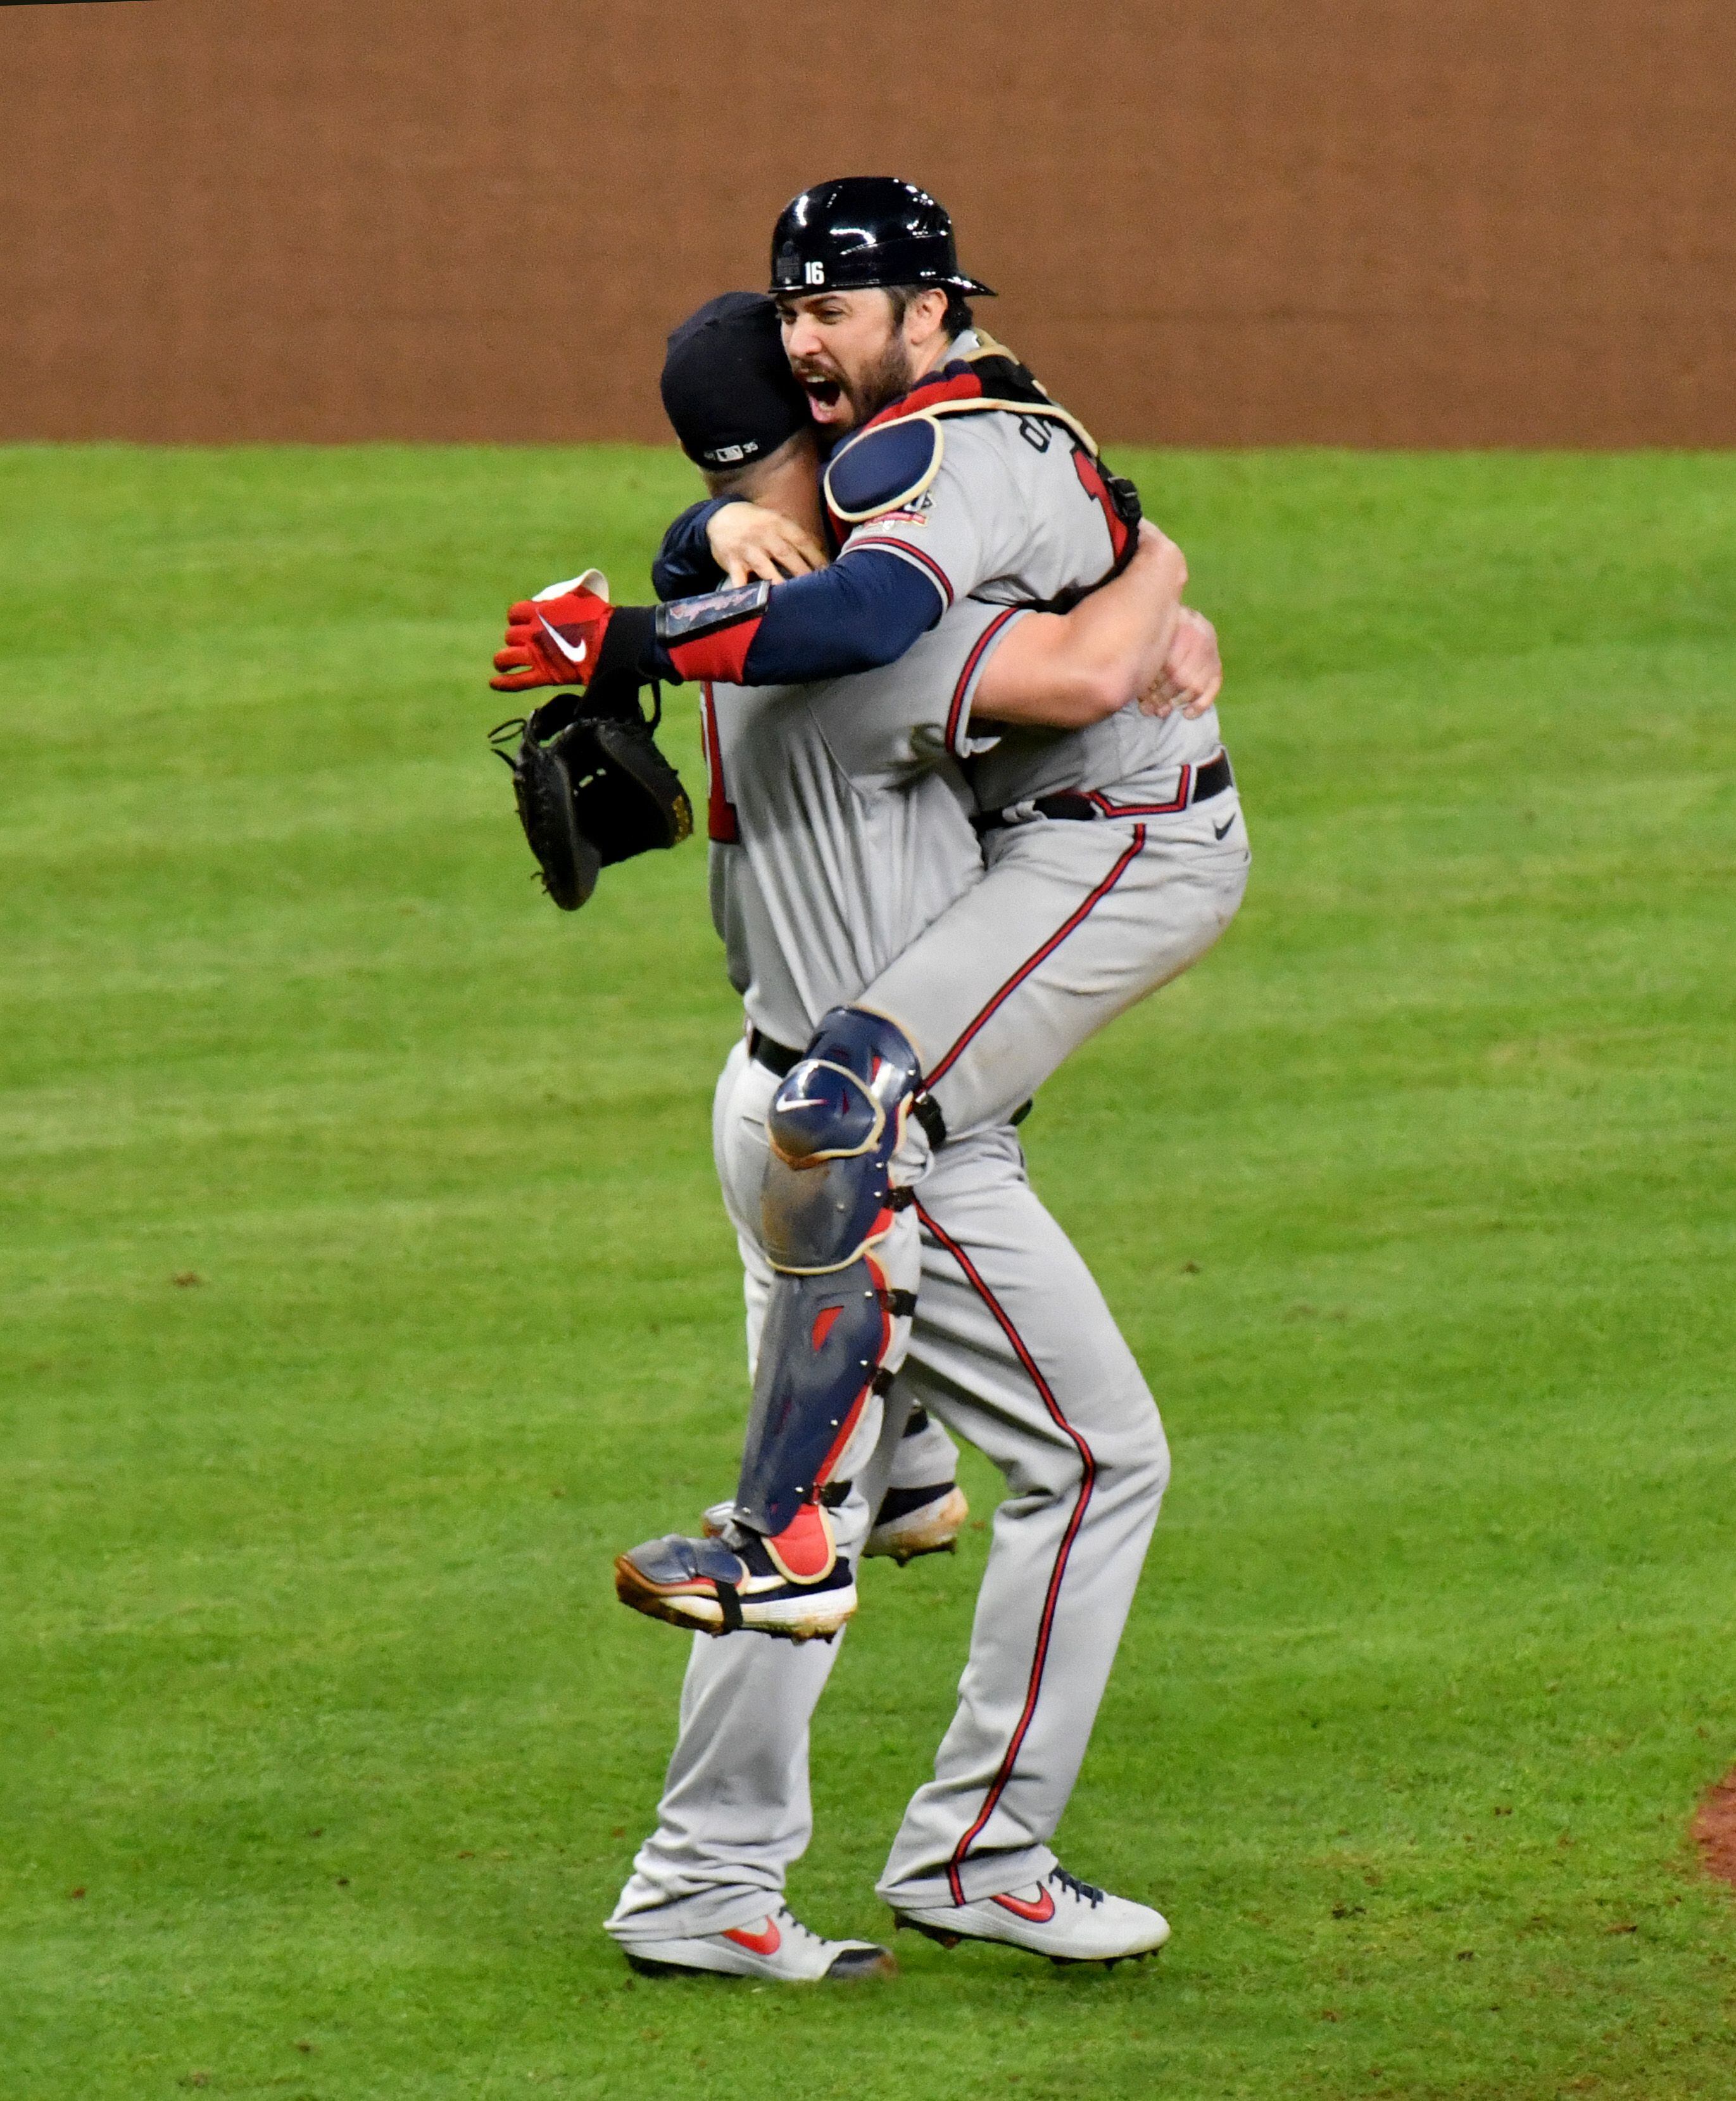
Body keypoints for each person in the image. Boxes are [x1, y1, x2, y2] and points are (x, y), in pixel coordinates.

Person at [574, 284, 1235, 1978]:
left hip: (768, 1107)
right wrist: (1162, 574)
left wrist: (698, 532)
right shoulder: (886, 634)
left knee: (805, 1520)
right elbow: (1093, 659)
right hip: (890, 1148)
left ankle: (703, 1890)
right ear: (806, 446)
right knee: (1099, 1465)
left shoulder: (726, 602)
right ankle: (980, 1849)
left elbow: (711, 588)